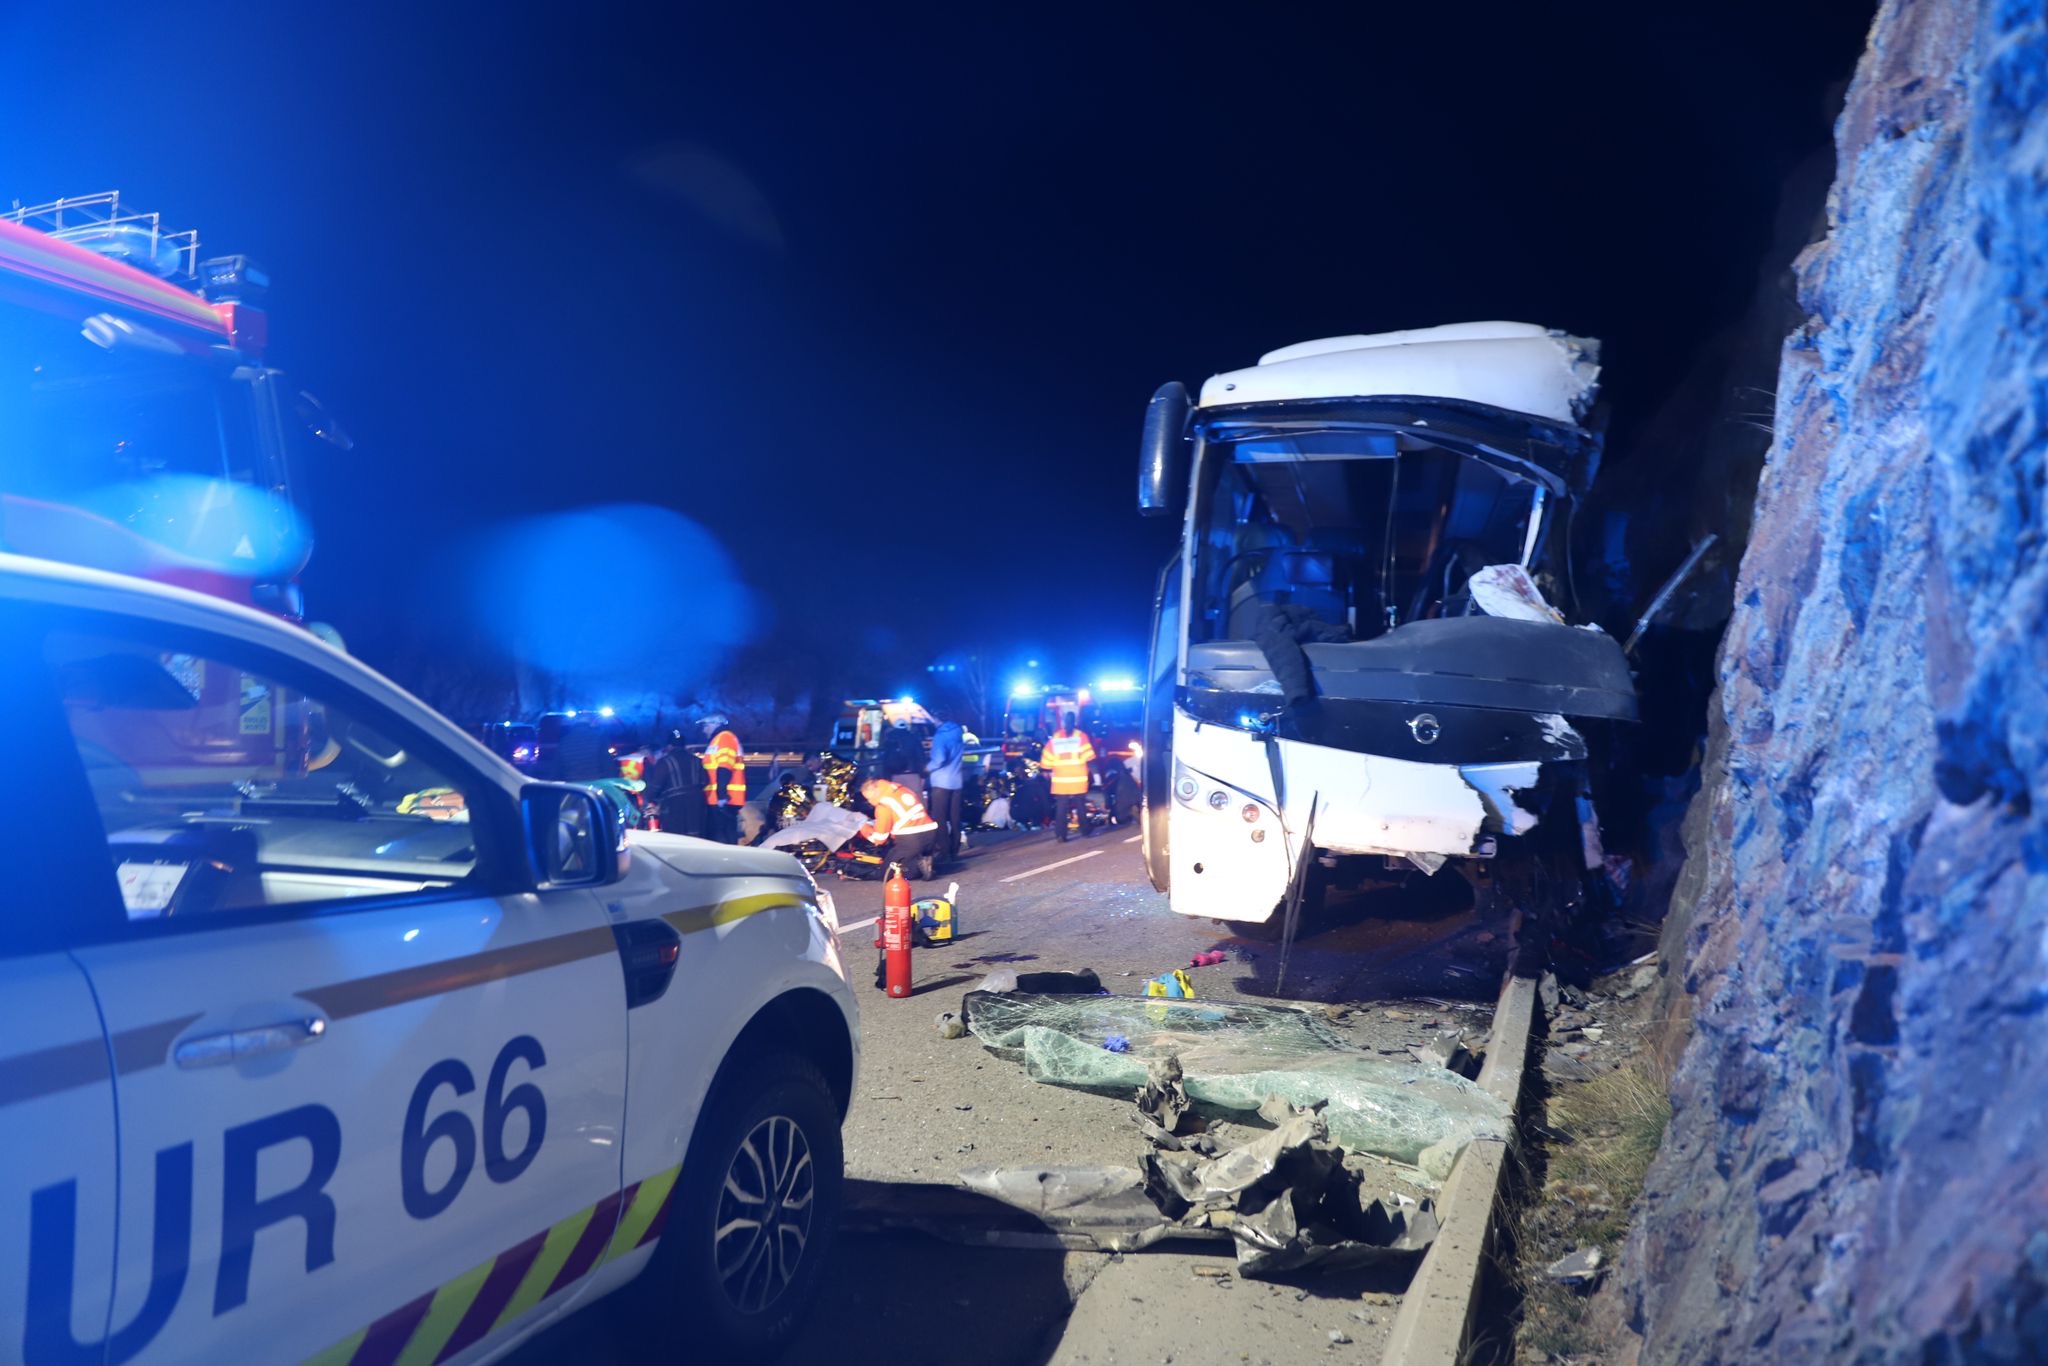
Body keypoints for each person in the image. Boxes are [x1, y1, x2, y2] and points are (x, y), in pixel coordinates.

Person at [856, 777, 939, 879]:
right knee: (896, 855)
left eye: (868, 799)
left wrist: (864, 829)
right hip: (930, 833)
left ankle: (918, 866)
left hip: (911, 839)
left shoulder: (883, 805)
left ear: (874, 793)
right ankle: (922, 860)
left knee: (886, 873)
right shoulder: (902, 790)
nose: (869, 802)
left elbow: (880, 839)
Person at [1038, 711, 1097, 842]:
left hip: (1060, 779)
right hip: (1078, 777)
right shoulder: (1081, 736)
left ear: (1064, 721)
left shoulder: (1056, 737)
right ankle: (1085, 831)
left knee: (1061, 808)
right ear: (1074, 721)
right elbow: (1089, 756)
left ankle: (1061, 834)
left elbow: (1046, 757)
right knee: (1080, 805)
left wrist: (1047, 769)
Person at [925, 711, 965, 869]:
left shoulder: (940, 735)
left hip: (941, 782)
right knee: (955, 817)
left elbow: (939, 759)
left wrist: (927, 768)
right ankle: (955, 849)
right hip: (957, 780)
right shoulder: (957, 731)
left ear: (936, 718)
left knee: (939, 818)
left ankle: (944, 851)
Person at [699, 714, 746, 844]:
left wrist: (721, 796)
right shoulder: (720, 739)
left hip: (723, 800)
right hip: (719, 798)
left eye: (705, 726)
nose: (704, 730)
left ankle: (727, 863)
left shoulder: (725, 738)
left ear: (715, 724)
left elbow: (724, 767)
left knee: (722, 838)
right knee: (722, 836)